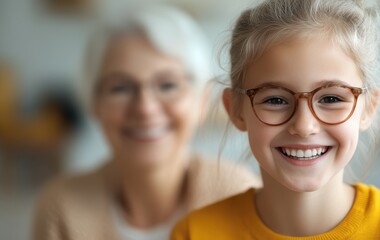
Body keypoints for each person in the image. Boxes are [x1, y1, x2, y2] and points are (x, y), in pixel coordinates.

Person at [171, 0, 380, 239]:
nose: (304, 126)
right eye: (275, 100)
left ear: (368, 108)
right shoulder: (196, 232)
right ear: (236, 110)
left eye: (331, 99)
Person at [32, 4, 260, 240]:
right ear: (93, 103)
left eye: (167, 85)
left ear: (202, 101)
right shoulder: (60, 208)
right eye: (120, 87)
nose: (145, 108)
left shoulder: (238, 194)